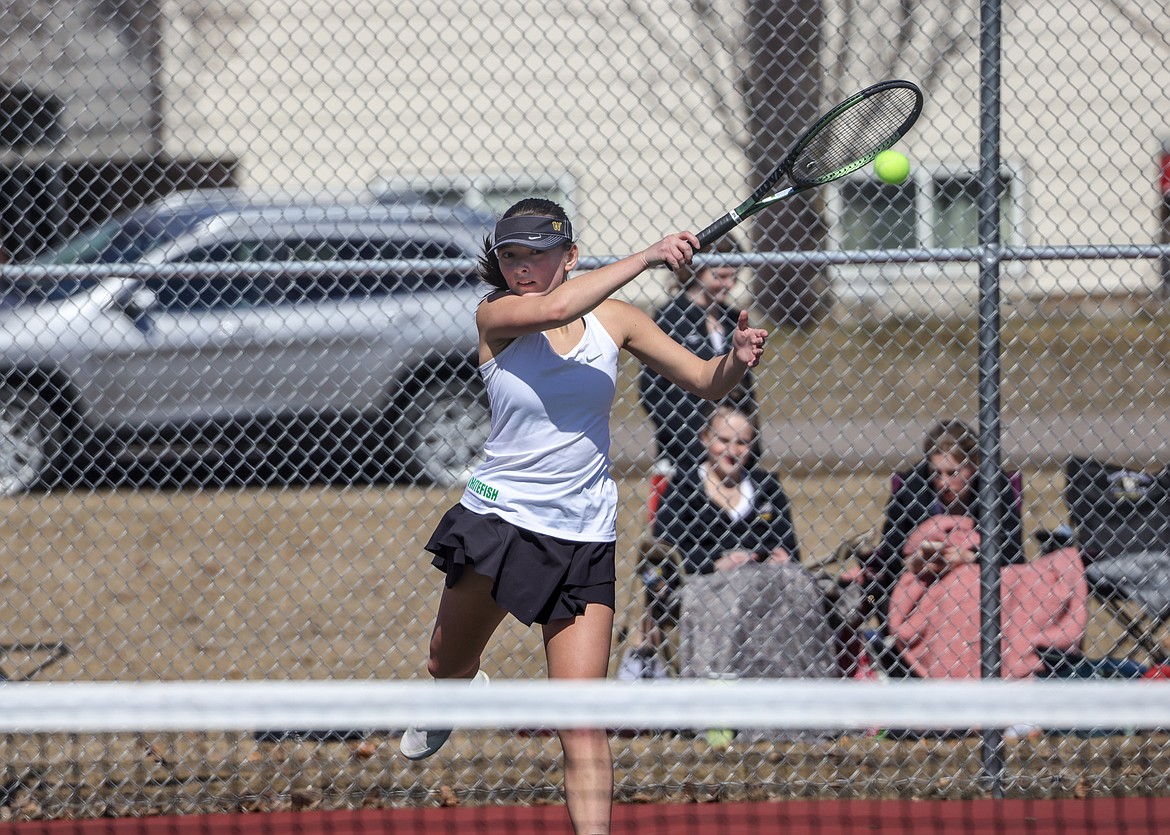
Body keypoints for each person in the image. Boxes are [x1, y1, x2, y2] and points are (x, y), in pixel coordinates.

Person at [400, 198, 768, 835]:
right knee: (444, 661)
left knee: (582, 718)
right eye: (509, 255)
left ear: (568, 256)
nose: (521, 267)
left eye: (536, 254)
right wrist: (650, 255)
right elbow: (556, 308)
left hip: (583, 536)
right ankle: (452, 688)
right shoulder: (499, 315)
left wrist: (736, 357)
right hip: (501, 521)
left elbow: (708, 382)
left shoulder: (618, 320)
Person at [650, 404, 835, 684]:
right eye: (723, 440)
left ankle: (801, 694)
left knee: (806, 587)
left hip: (765, 585)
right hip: (707, 585)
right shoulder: (682, 488)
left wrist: (771, 558)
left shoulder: (766, 487)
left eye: (742, 443)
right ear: (705, 439)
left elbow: (789, 549)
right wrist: (714, 561)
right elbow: (664, 553)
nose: (732, 451)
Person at [854, 419, 1025, 674]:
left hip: (975, 585)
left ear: (975, 465)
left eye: (952, 473)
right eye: (936, 473)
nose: (943, 483)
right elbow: (888, 556)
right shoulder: (911, 489)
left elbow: (1014, 554)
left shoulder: (996, 487)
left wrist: (970, 556)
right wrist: (912, 561)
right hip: (920, 584)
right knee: (870, 593)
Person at [637, 235, 760, 484]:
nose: (730, 284)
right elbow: (651, 391)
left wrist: (746, 442)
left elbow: (745, 387)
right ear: (697, 271)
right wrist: (694, 441)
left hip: (729, 455)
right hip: (682, 452)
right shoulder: (670, 318)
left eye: (734, 276)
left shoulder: (734, 319)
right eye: (720, 276)